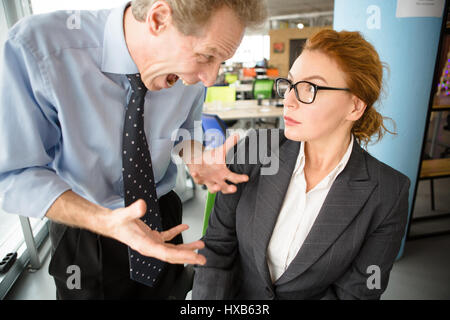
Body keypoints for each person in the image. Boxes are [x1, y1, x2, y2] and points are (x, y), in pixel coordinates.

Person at [0, 0, 267, 299]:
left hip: (162, 217)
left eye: (220, 61)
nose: (209, 78)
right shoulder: (39, 49)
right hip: (86, 225)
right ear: (158, 19)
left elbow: (184, 130)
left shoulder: (188, 72)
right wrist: (105, 222)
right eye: (206, 56)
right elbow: (15, 173)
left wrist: (196, 156)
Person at [192, 29, 411, 300]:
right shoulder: (255, 149)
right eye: (291, 84)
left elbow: (360, 292)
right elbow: (216, 249)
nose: (289, 100)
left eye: (311, 88)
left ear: (354, 107)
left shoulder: (388, 192)